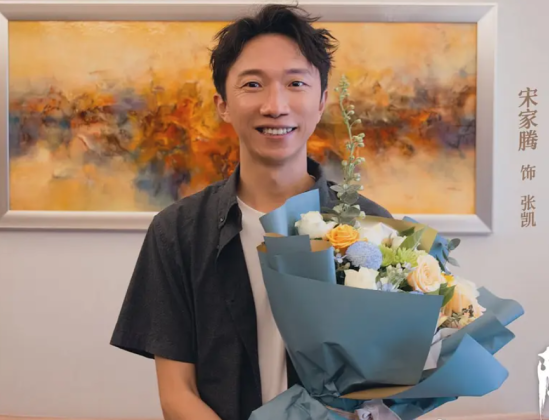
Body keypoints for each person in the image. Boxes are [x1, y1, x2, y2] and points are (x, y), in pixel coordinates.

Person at [109, 4, 393, 420]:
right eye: (253, 84)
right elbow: (177, 394)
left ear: (321, 102)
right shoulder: (177, 232)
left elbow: (388, 388)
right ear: (223, 104)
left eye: (296, 83)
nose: (275, 105)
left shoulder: (373, 228)